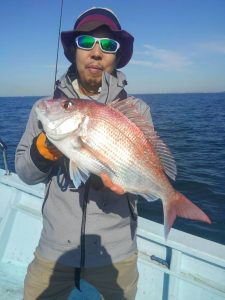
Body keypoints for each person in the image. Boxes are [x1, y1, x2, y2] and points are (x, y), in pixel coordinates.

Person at [15, 7, 152, 300]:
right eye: (86, 43)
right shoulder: (47, 109)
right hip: (54, 252)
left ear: (117, 56)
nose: (97, 52)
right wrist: (45, 147)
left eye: (108, 45)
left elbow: (142, 173)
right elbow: (25, 174)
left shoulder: (137, 112)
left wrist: (126, 185)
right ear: (73, 51)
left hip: (116, 257)